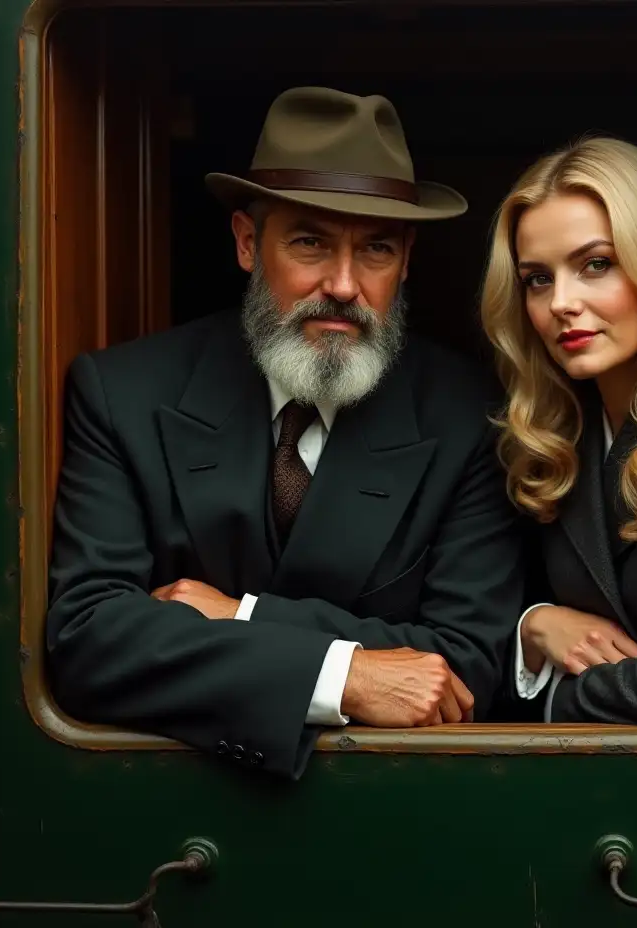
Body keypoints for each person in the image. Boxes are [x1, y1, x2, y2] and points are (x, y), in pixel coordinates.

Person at [45, 86, 524, 779]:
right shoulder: (122, 393)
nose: (343, 284)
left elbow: (466, 664)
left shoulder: (468, 413)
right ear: (247, 242)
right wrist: (342, 675)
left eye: (377, 249)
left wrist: (236, 614)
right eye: (310, 241)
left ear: (408, 259)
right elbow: (88, 636)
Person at [479, 136, 637, 725]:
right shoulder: (542, 437)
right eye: (537, 279)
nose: (561, 302)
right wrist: (534, 625)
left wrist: (541, 701)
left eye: (596, 264)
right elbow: (466, 632)